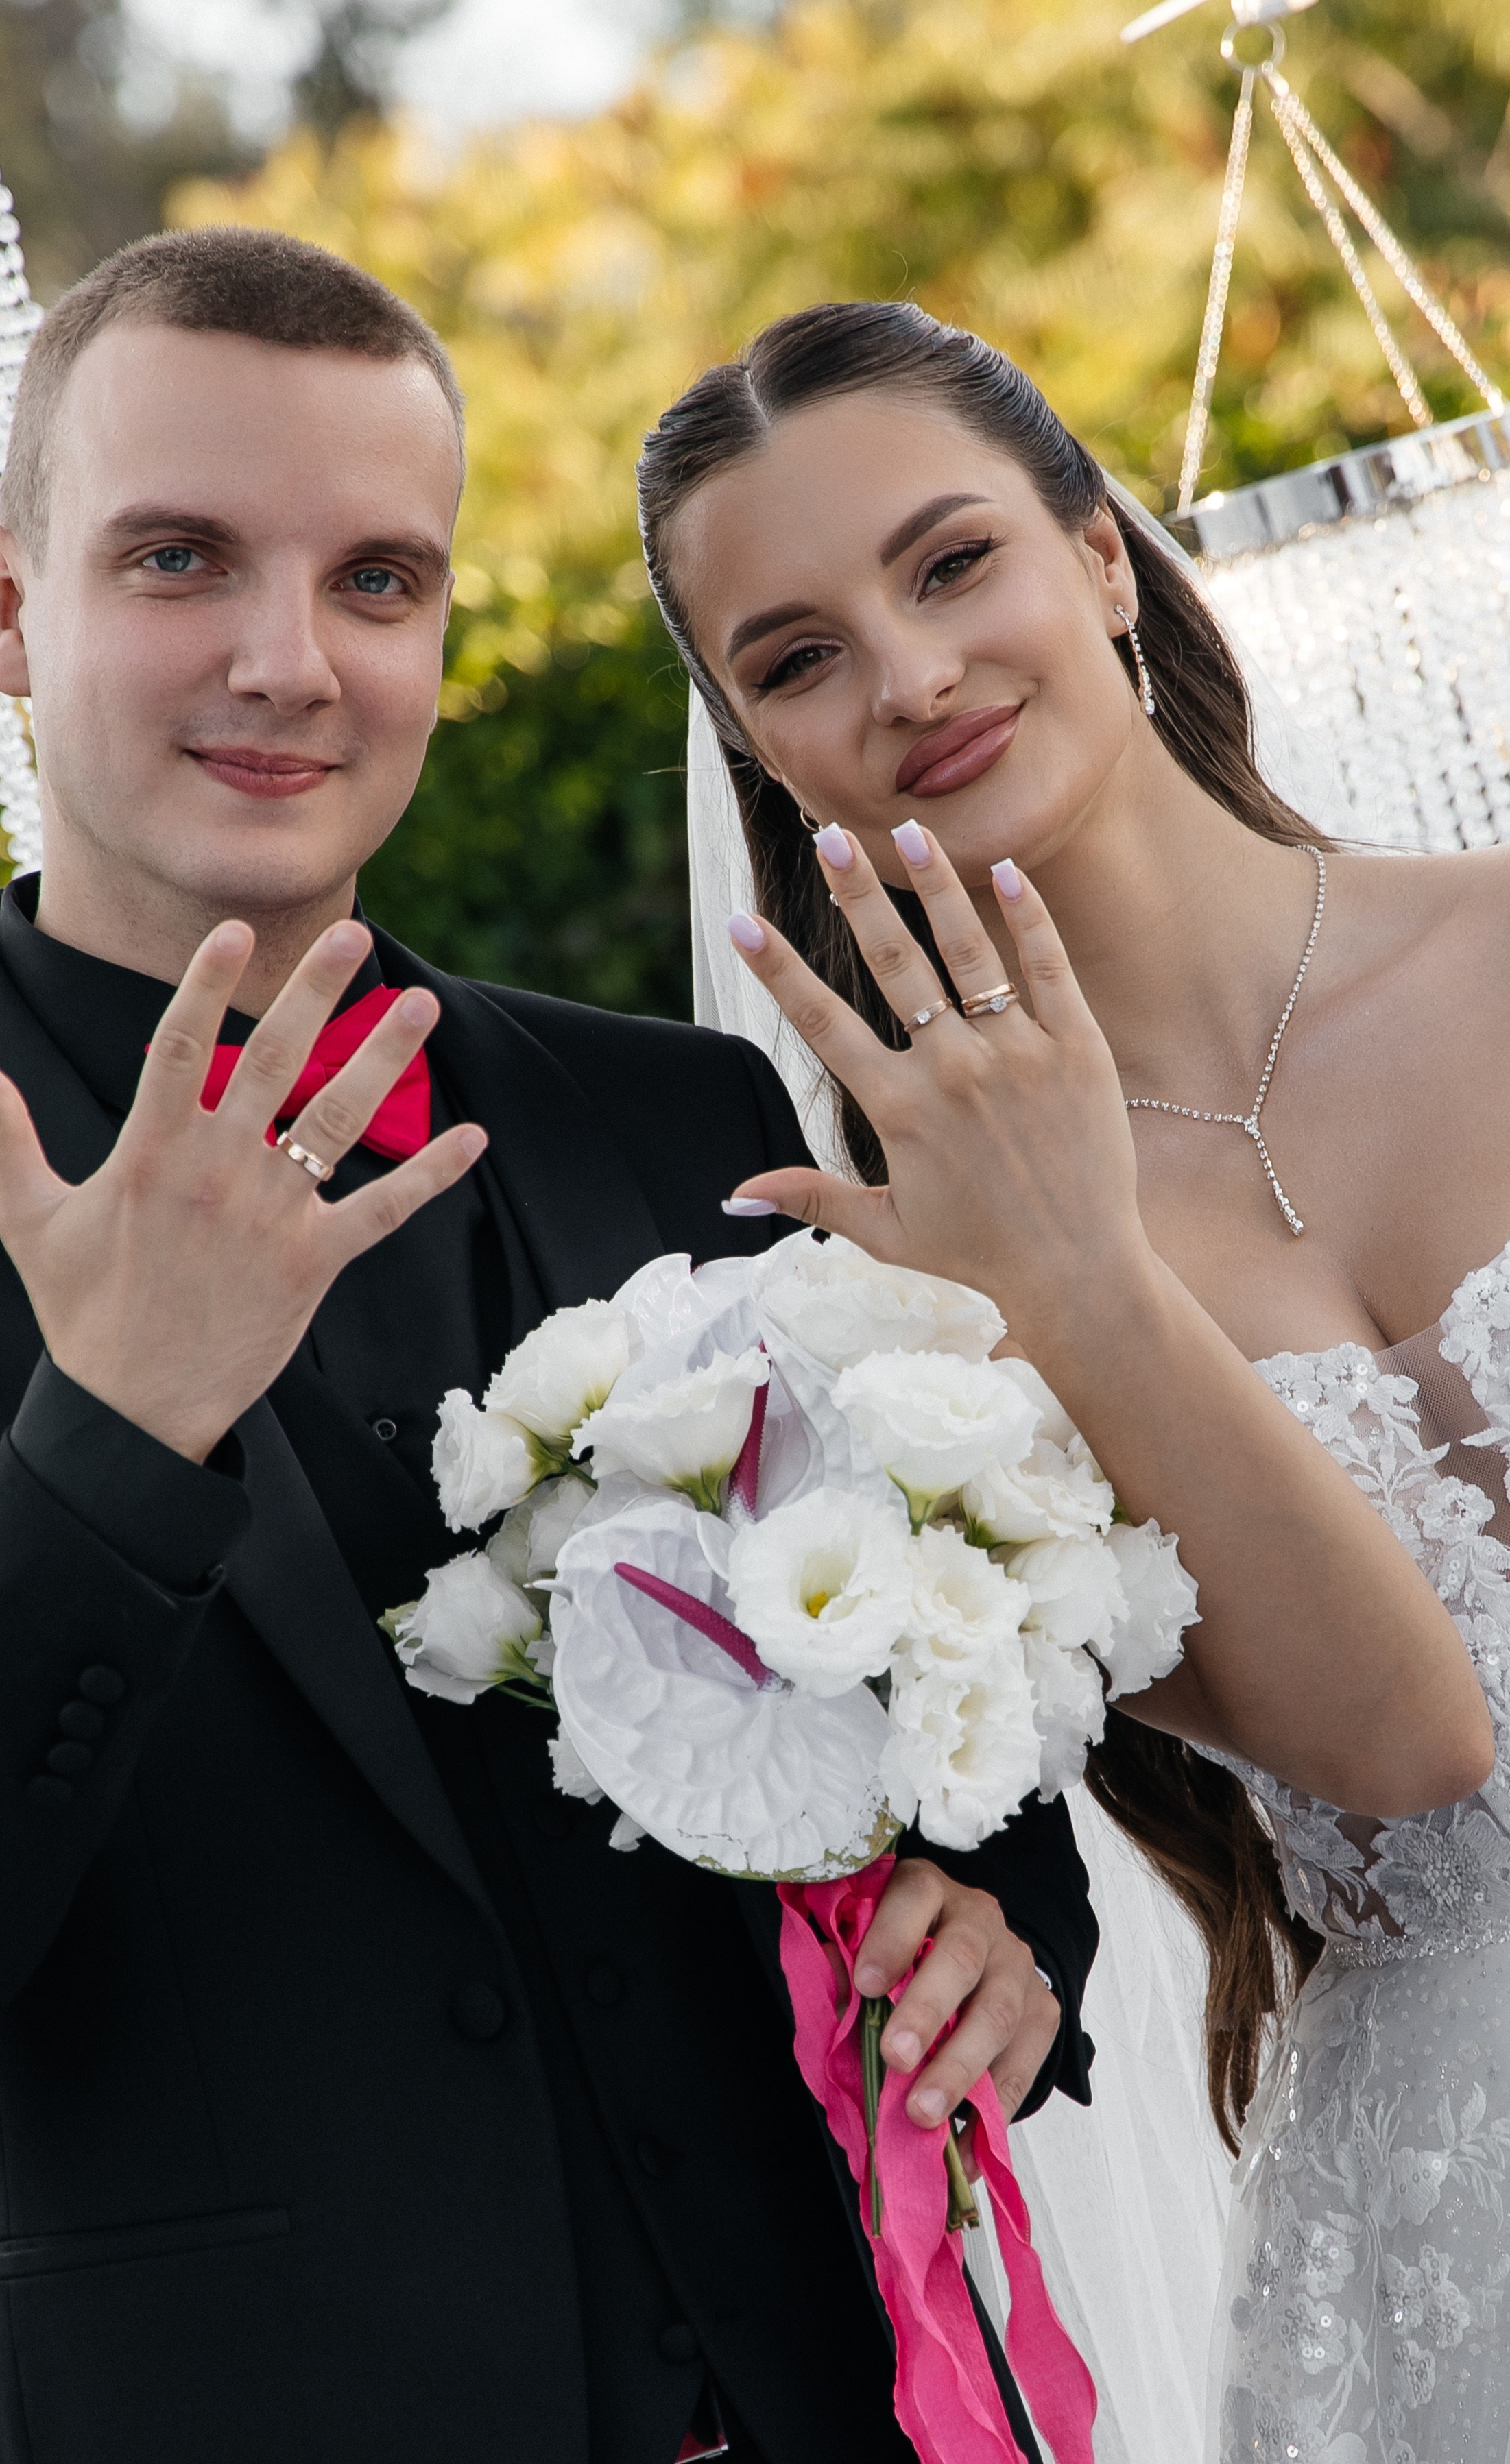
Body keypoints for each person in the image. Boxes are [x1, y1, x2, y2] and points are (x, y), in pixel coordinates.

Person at [0, 232, 1099, 2464]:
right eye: (179, 559)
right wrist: (117, 1432)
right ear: (8, 608)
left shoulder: (683, 1112)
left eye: (378, 580)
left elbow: (940, 1708)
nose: (288, 660)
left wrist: (1004, 1916)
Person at [636, 298, 1510, 2464]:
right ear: (761, 754)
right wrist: (1078, 1274)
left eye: (950, 567)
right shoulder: (893, 1312)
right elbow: (1403, 1741)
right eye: (796, 656)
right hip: (1459, 2220)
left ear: (1102, 560)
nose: (908, 676)